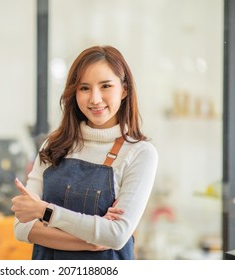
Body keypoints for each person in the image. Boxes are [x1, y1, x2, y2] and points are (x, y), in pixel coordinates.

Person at [11, 45, 158, 260]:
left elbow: (116, 235)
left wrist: (45, 212)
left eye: (106, 86)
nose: (95, 99)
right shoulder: (52, 146)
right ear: (74, 92)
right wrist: (92, 241)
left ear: (124, 89)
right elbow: (22, 228)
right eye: (84, 88)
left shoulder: (140, 153)